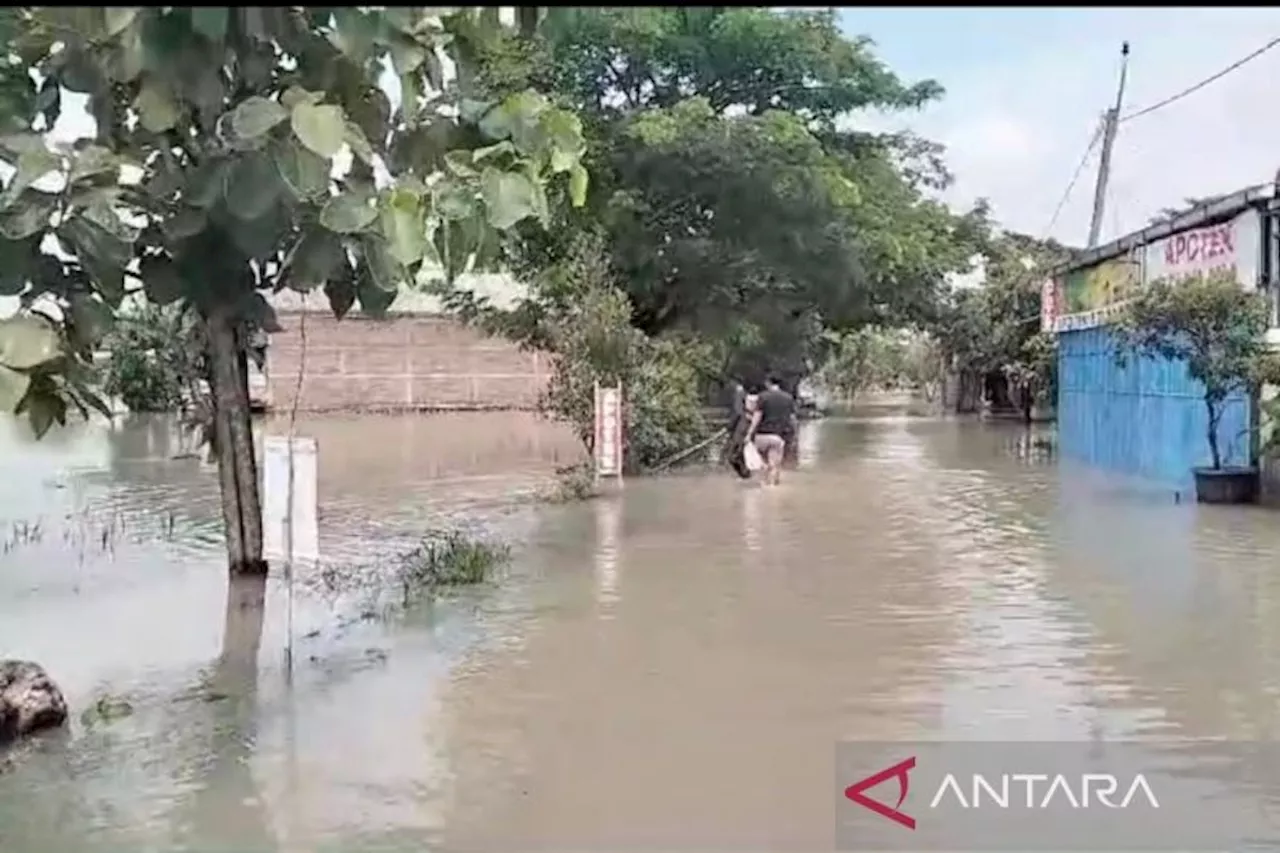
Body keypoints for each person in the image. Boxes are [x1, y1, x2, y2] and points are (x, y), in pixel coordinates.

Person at [746, 374, 795, 486]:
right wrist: (793, 435)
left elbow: (757, 416)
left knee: (764, 464)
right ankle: (773, 488)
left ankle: (764, 484)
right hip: (778, 436)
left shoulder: (763, 396)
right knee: (775, 465)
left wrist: (749, 434)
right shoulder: (788, 398)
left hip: (761, 436)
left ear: (768, 382)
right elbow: (792, 419)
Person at [722, 379, 752, 479]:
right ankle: (745, 475)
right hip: (744, 426)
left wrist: (730, 426)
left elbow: (737, 412)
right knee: (739, 453)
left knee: (733, 455)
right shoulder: (744, 394)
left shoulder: (738, 394)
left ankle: (745, 475)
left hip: (740, 427)